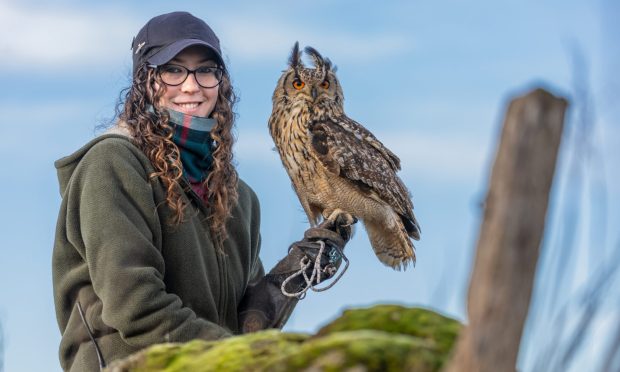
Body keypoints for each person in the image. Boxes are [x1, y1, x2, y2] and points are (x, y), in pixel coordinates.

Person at [52, 11, 353, 371]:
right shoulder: (113, 164)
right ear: (145, 81)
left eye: (206, 70)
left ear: (221, 83)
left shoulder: (238, 198)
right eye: (173, 69)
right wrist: (249, 360)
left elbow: (243, 327)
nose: (191, 86)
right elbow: (136, 308)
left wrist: (298, 269)